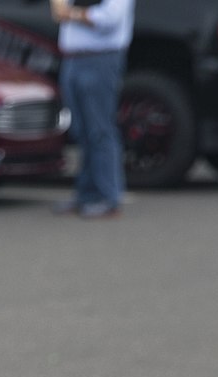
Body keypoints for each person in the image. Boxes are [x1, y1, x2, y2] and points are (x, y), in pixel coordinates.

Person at [52, 0, 134, 219]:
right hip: (73, 60)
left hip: (100, 59)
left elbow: (109, 19)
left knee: (100, 129)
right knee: (81, 131)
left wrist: (70, 13)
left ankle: (109, 197)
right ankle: (86, 194)